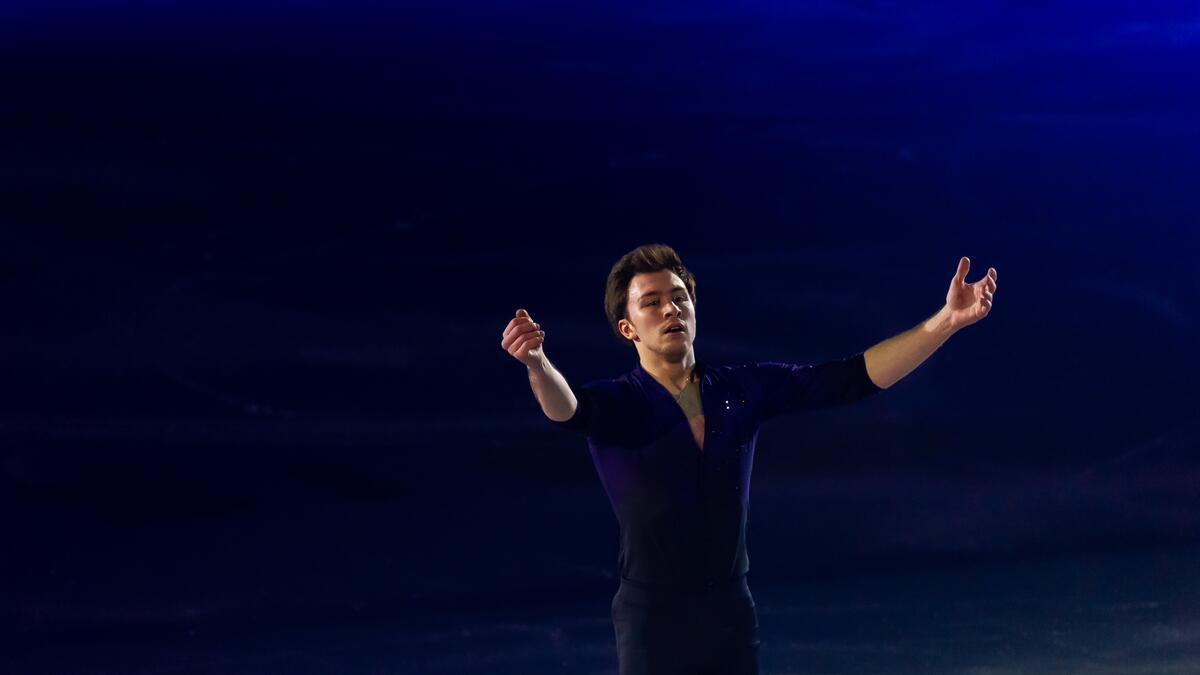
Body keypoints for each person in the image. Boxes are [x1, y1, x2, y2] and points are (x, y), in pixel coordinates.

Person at [500, 243, 998, 675]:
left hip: (731, 613)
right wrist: (537, 363)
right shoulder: (617, 403)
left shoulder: (740, 390)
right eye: (652, 302)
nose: (671, 309)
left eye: (680, 297)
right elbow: (568, 410)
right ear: (627, 328)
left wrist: (946, 322)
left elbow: (849, 379)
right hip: (653, 619)